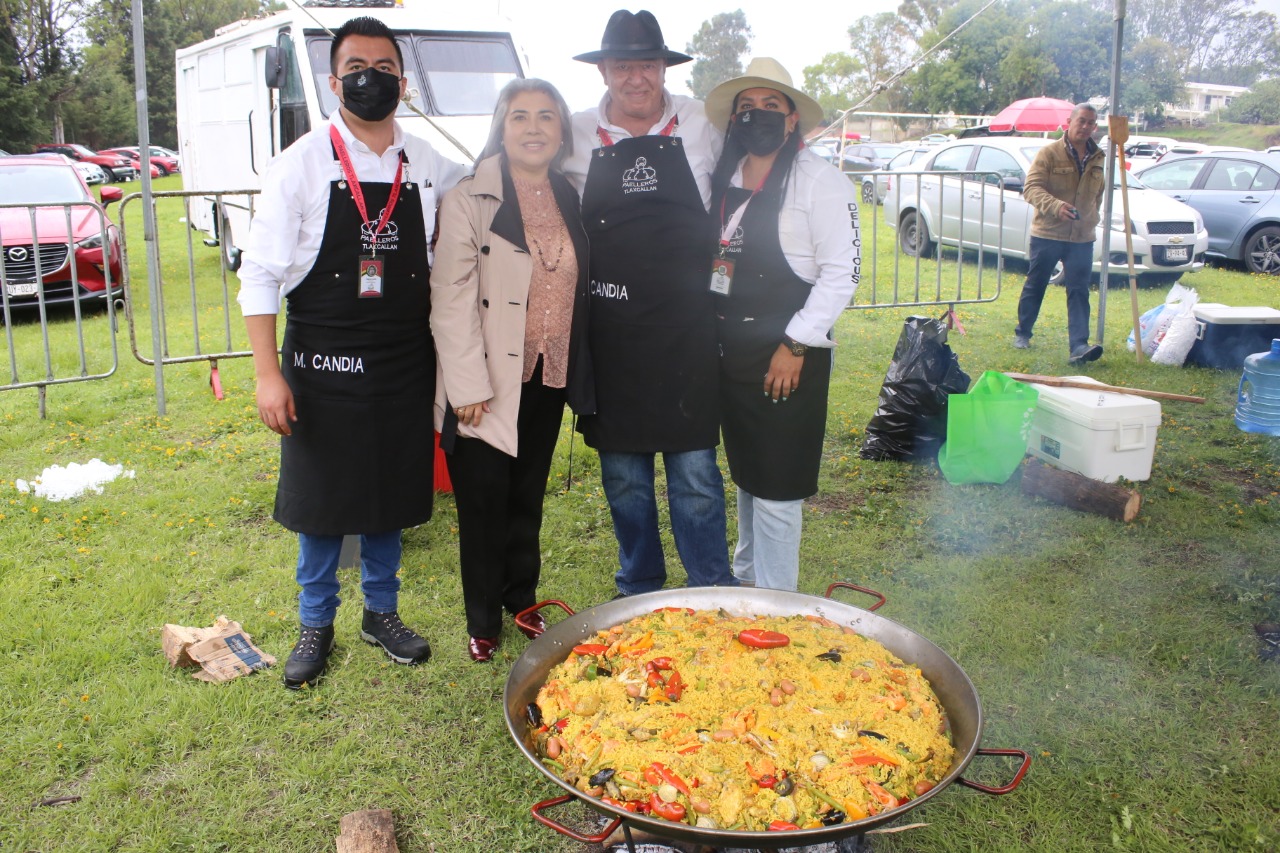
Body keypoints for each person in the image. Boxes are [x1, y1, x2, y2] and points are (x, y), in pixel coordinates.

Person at [237, 16, 466, 688]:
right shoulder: (300, 163)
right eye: (358, 67)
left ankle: (382, 613)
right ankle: (317, 620)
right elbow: (260, 275)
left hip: (401, 362)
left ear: (403, 81)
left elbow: (491, 186)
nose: (373, 78)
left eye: (386, 67)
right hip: (322, 366)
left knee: (392, 492)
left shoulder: (427, 163)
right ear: (334, 81)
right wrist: (266, 374)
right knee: (322, 501)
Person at [563, 9, 738, 597]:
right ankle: (639, 583)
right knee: (624, 477)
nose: (636, 77)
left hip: (687, 325)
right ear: (604, 71)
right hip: (611, 327)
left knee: (695, 473)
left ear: (664, 67)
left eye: (647, 64)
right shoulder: (575, 131)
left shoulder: (702, 123)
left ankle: (711, 583)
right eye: (622, 65)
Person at [431, 79, 593, 662]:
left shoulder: (570, 195)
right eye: (519, 116)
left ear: (561, 131)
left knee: (527, 499)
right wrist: (467, 386)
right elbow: (450, 297)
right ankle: (482, 622)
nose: (533, 128)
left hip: (546, 374)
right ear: (501, 127)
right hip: (485, 381)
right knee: (483, 505)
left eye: (546, 117)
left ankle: (520, 599)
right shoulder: (469, 197)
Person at [704, 58, 859, 591]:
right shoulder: (724, 176)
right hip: (732, 350)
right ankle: (746, 580)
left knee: (776, 486)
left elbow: (842, 275)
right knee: (748, 474)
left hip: (786, 352)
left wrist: (794, 344)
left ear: (792, 120)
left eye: (771, 107)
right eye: (747, 107)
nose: (757, 116)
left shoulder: (822, 181)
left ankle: (776, 605)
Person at [1013, 103, 1106, 364]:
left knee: (1079, 290)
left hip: (1082, 237)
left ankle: (1079, 346)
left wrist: (1090, 218)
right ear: (1069, 122)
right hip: (1048, 233)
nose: (1086, 127)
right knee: (1036, 283)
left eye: (1091, 123)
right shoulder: (1049, 153)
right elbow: (1031, 188)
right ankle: (1023, 333)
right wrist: (1056, 207)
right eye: (1082, 121)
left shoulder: (1098, 157)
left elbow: (1098, 194)